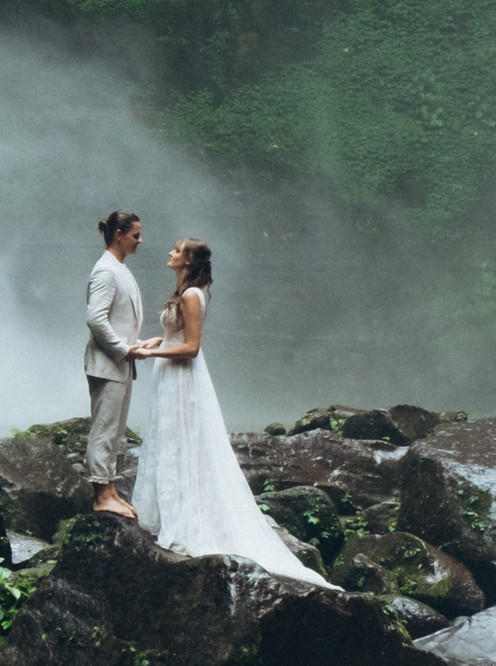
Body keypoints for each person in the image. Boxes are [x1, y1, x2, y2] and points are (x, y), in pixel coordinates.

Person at [131, 238, 328, 584]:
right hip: (169, 377)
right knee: (170, 440)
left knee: (183, 441)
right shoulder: (184, 290)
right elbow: (176, 336)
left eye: (177, 250)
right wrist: (155, 341)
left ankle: (185, 519)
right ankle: (170, 512)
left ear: (189, 260)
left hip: (182, 379)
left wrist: (151, 355)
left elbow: (191, 347)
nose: (170, 253)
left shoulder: (192, 296)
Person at [83, 211, 147, 518]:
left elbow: (122, 318)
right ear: (119, 234)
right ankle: (100, 495)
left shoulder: (119, 269)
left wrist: (137, 345)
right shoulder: (106, 271)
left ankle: (109, 489)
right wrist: (123, 350)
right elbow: (95, 318)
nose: (140, 240)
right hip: (107, 363)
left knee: (116, 429)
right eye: (135, 235)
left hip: (120, 363)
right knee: (104, 429)